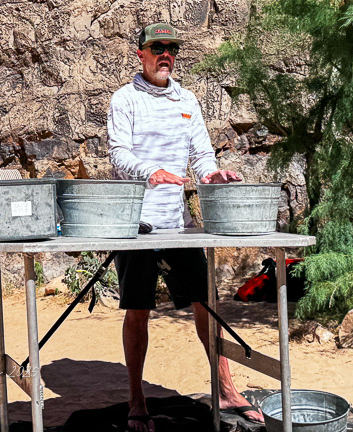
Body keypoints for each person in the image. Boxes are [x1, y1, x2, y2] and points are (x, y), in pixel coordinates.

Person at [107, 23, 264, 432]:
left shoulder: (187, 99)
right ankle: (136, 398)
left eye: (171, 48)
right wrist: (151, 171)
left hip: (178, 224)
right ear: (140, 54)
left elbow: (202, 154)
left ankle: (226, 388)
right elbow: (118, 153)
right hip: (136, 223)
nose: (165, 54)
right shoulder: (125, 99)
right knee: (138, 309)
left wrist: (212, 176)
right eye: (157, 47)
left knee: (205, 304)